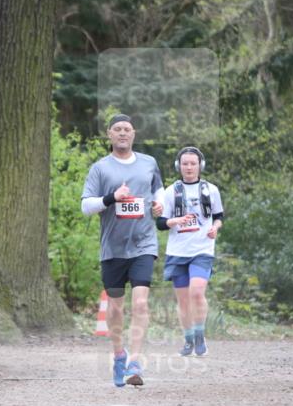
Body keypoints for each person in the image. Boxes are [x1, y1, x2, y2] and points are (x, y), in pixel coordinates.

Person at [81, 115, 164, 387]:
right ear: (109, 134)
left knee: (140, 302)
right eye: (117, 129)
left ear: (134, 134)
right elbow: (86, 206)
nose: (122, 133)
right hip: (113, 248)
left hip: (143, 243)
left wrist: (159, 205)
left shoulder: (148, 163)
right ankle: (119, 354)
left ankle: (135, 361)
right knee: (116, 308)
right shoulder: (100, 168)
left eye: (127, 129)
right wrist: (111, 198)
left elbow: (158, 189)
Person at [155, 147, 224, 357]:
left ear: (200, 166)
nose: (189, 167)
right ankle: (188, 339)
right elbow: (160, 223)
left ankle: (200, 334)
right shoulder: (170, 191)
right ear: (179, 166)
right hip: (178, 252)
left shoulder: (210, 190)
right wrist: (174, 221)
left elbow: (219, 216)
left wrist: (215, 228)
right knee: (183, 299)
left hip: (202, 249)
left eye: (193, 163)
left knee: (197, 292)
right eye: (185, 163)